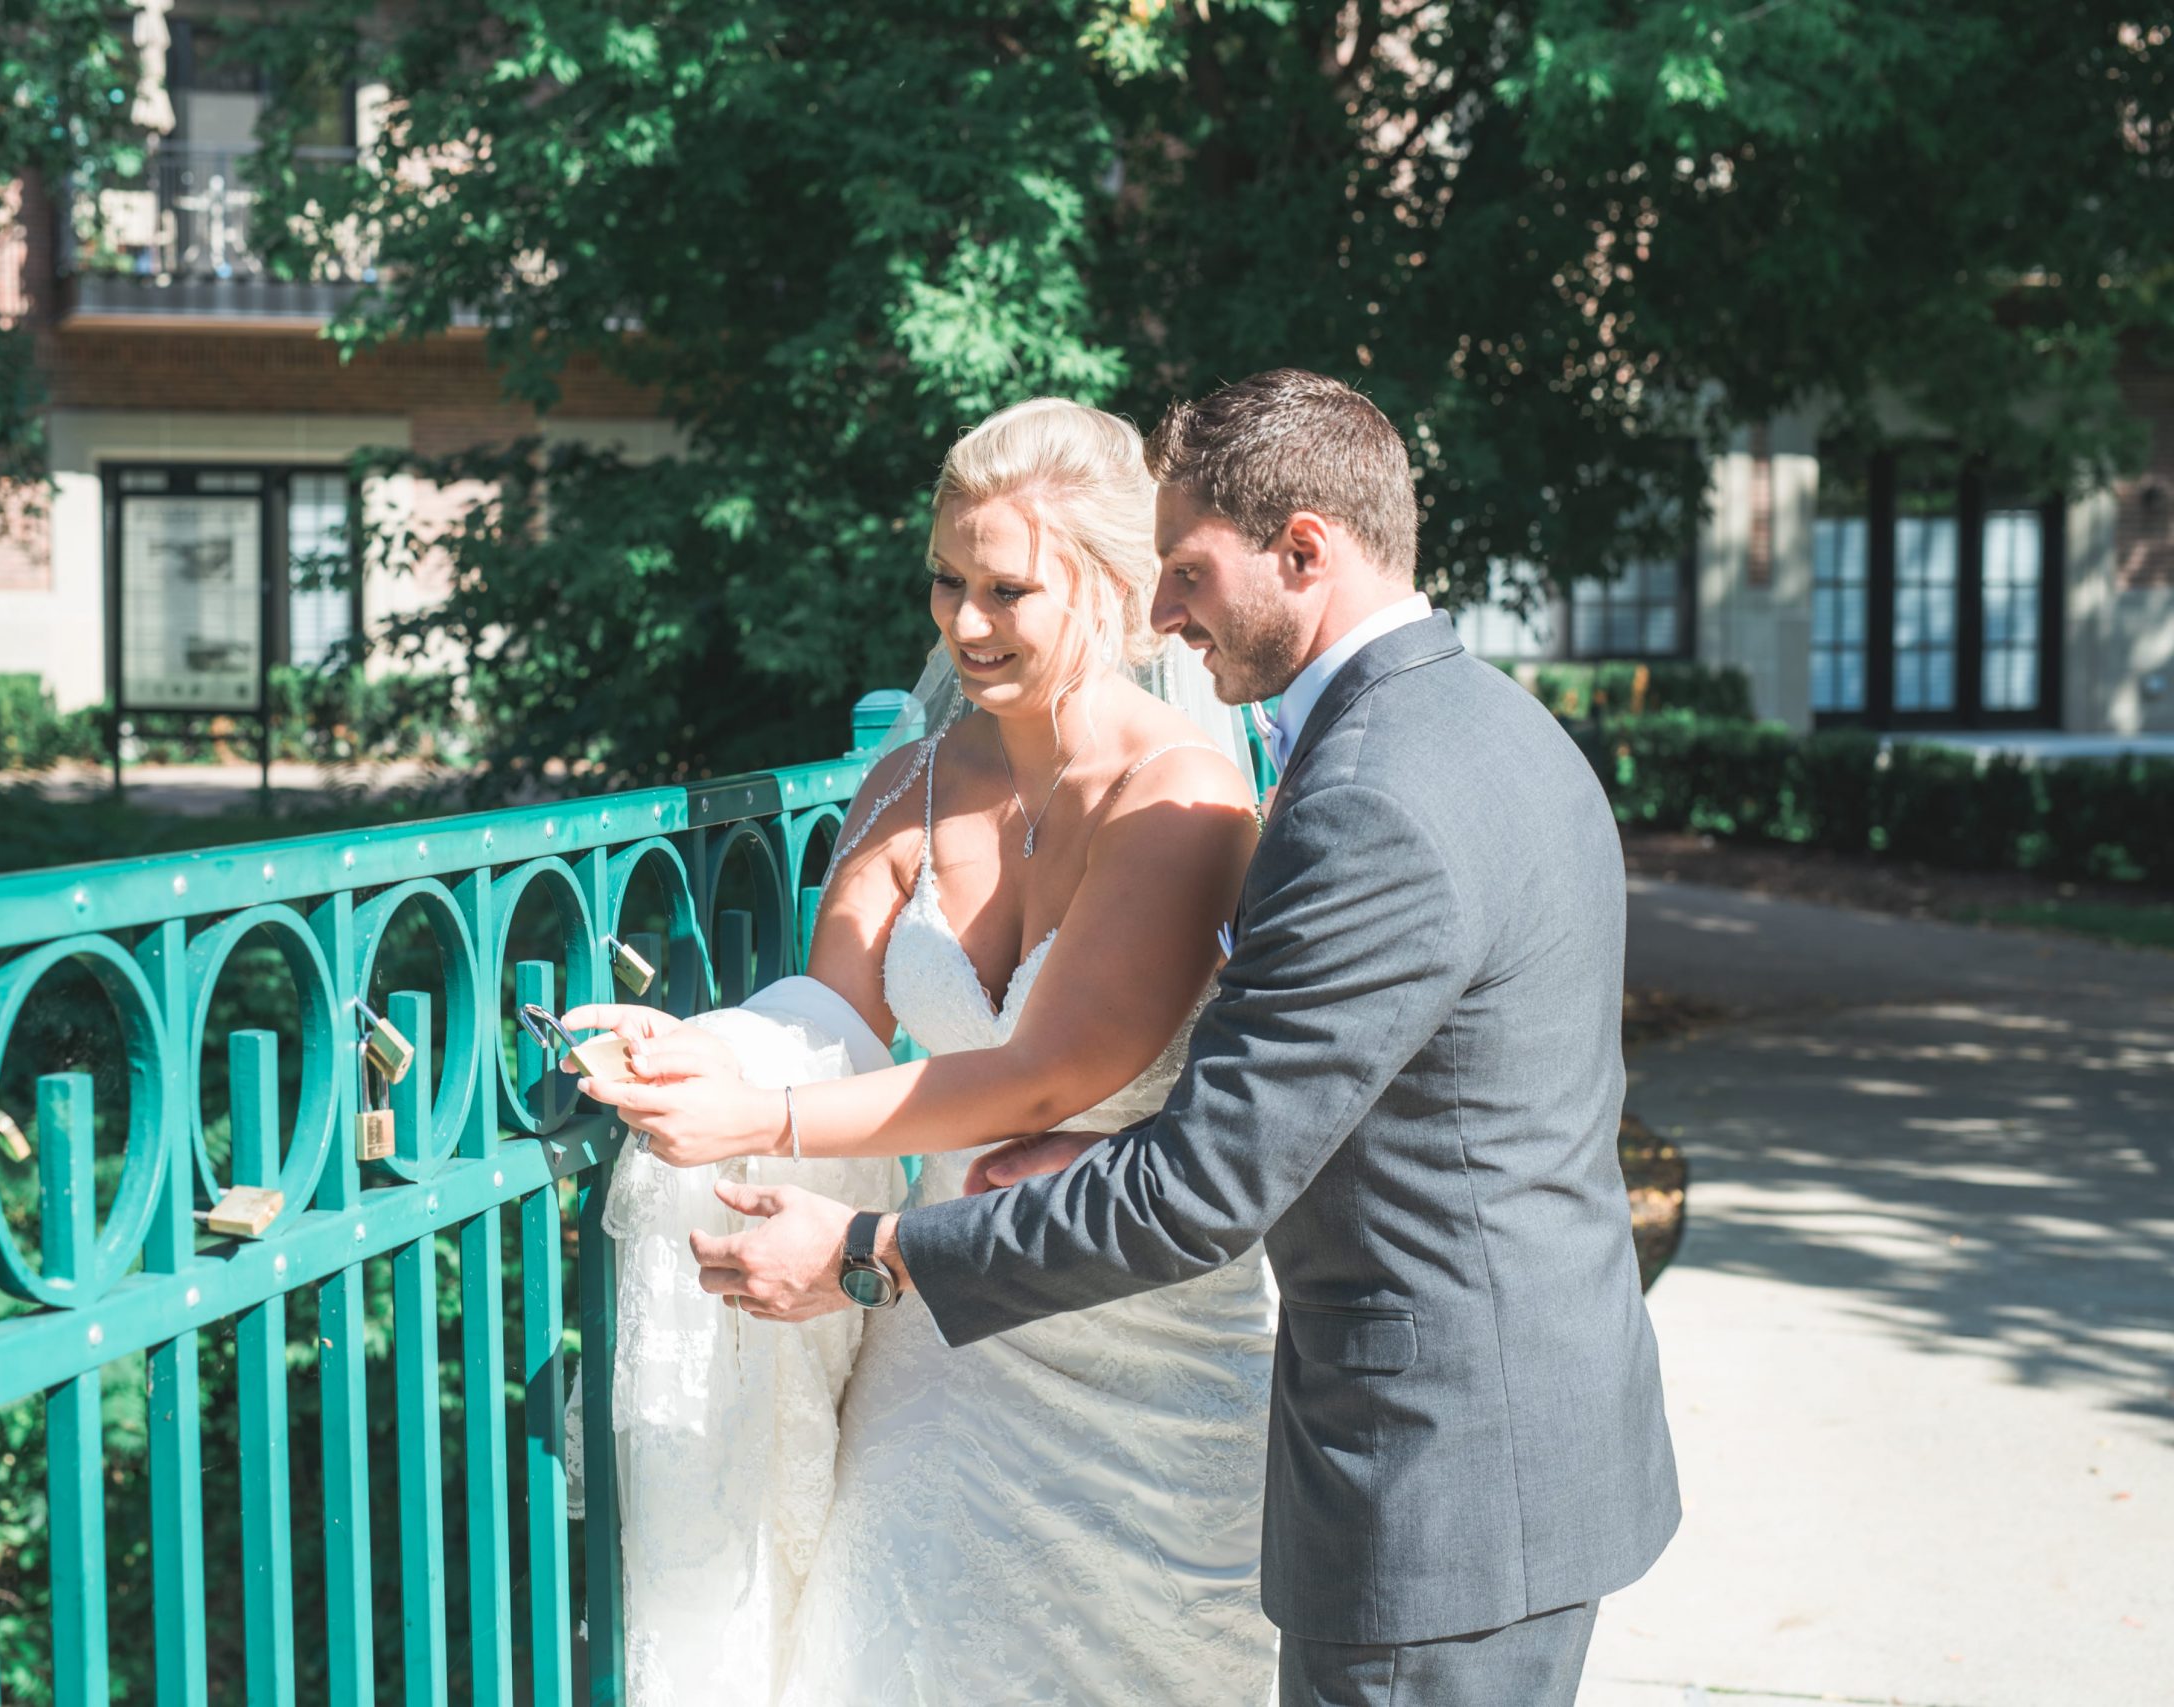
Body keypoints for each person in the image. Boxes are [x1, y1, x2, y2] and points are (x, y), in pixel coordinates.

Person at [684, 369, 1683, 1707]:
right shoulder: (1501, 728)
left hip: (1431, 1484)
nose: (1163, 613)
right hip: (1538, 1435)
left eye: (1189, 572)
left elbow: (1205, 1189)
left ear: (1306, 549)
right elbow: (1374, 1089)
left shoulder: (1369, 796)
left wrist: (869, 1251)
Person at [567, 396, 1281, 1705]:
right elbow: (825, 1021)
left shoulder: (1180, 796)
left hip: (1146, 1327)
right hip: (943, 1328)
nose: (962, 624)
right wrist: (704, 1051)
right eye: (946, 582)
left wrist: (758, 1121)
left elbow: (1044, 1076)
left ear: (1119, 593)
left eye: (1008, 590)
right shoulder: (915, 780)